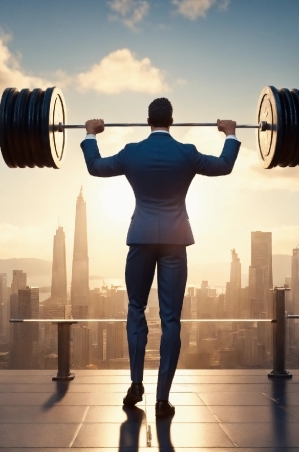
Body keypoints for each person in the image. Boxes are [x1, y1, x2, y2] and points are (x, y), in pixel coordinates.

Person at [80, 98, 240, 418]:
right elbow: (224, 165)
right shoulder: (187, 152)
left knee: (135, 309)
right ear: (172, 120)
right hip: (175, 241)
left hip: (141, 238)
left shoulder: (131, 152)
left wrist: (91, 134)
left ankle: (136, 384)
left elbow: (96, 167)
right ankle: (162, 399)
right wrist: (230, 134)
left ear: (148, 120)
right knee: (171, 320)